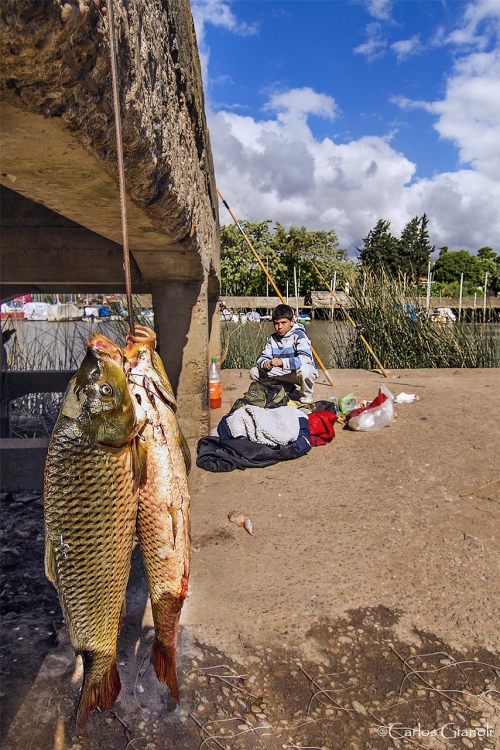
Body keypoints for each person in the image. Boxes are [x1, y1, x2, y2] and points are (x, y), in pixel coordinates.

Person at [249, 304, 318, 404]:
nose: (279, 327)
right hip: (281, 372)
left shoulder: (299, 335)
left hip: (296, 372)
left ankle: (306, 395)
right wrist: (265, 363)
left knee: (306, 370)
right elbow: (263, 357)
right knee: (254, 372)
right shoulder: (272, 338)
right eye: (276, 323)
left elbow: (305, 359)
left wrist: (282, 362)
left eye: (283, 323)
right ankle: (285, 389)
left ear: (292, 322)